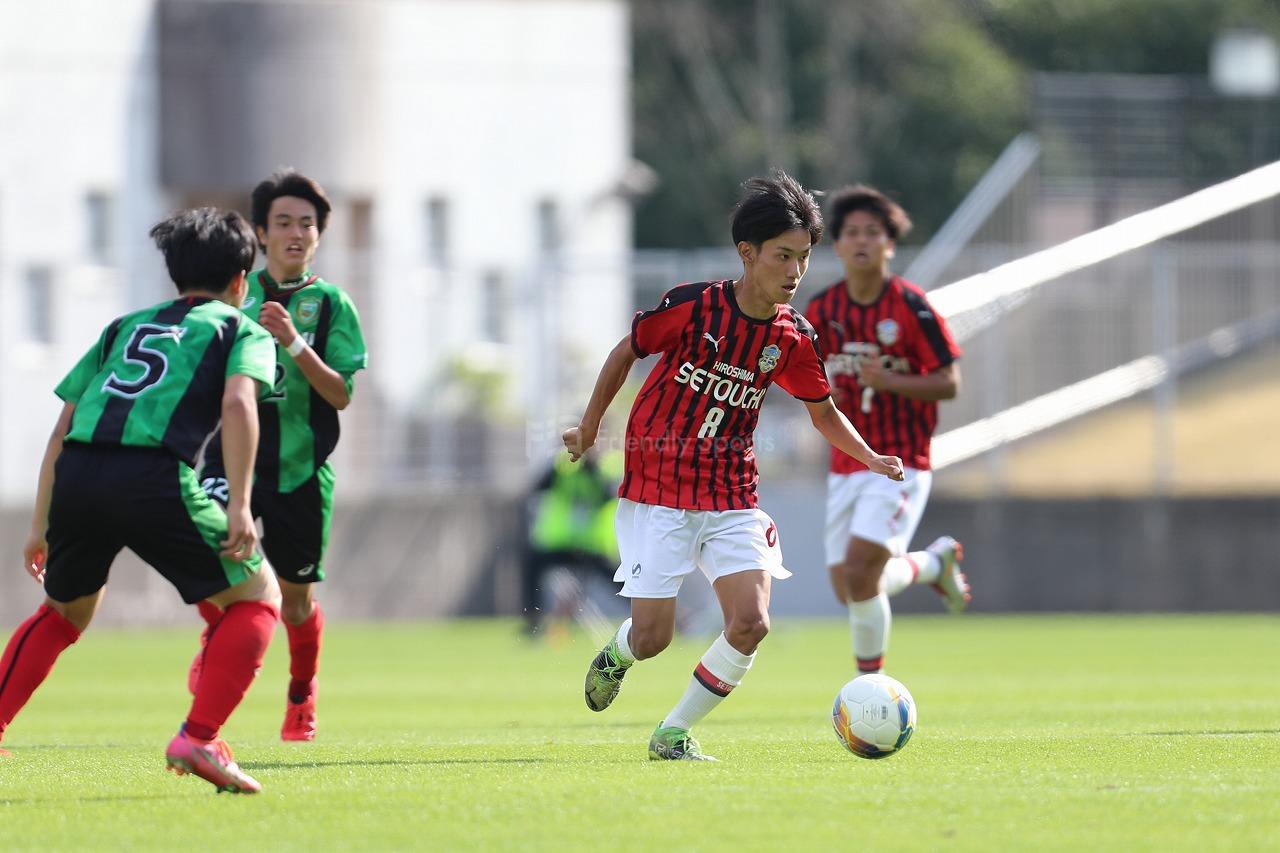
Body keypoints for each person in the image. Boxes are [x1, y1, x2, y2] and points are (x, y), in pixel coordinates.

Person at [563, 171, 904, 761]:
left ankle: (673, 734)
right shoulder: (694, 307)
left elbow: (823, 413)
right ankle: (618, 654)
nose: (795, 271)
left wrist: (869, 456)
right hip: (658, 492)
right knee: (653, 639)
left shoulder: (792, 337)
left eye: (802, 258)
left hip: (731, 497)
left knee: (751, 622)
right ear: (747, 254)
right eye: (782, 256)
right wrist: (590, 426)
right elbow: (628, 350)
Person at [0, 208, 279, 793]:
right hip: (151, 475)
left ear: (175, 275)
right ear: (240, 281)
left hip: (78, 470)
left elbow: (61, 430)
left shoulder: (123, 326)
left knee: (63, 613)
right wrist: (239, 504)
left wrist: (38, 525)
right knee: (257, 597)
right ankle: (200, 737)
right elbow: (237, 406)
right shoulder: (239, 328)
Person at [192, 170, 368, 742]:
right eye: (284, 223)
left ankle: (300, 694)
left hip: (300, 470)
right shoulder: (233, 296)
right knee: (209, 553)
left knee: (295, 605)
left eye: (307, 224)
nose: (296, 233)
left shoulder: (333, 303)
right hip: (230, 460)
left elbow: (340, 393)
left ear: (319, 235)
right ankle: (218, 637)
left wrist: (293, 340)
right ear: (261, 234)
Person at [803, 184, 969, 677]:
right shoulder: (821, 311)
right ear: (836, 245)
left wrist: (888, 380)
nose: (861, 241)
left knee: (859, 574)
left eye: (873, 233)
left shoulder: (913, 307)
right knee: (848, 587)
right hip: (845, 463)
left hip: (900, 461)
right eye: (851, 232)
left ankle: (869, 685)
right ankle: (934, 565)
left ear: (889, 245)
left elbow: (949, 383)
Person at [521, 449, 622, 637]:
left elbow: (610, 497)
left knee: (622, 581)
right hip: (560, 543)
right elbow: (537, 488)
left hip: (589, 547)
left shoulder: (602, 472)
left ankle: (651, 617)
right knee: (531, 566)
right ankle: (532, 620)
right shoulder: (562, 468)